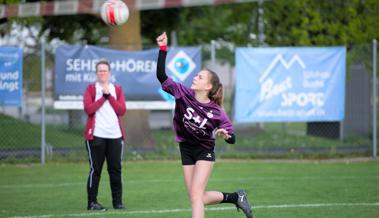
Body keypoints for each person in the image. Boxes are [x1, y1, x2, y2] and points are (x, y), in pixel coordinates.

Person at [156, 32, 253, 218]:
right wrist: (162, 49)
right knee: (195, 196)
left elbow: (233, 138)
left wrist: (227, 135)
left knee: (195, 197)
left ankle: (236, 197)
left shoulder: (217, 111)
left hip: (204, 151)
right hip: (185, 148)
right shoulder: (181, 93)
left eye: (200, 77)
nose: (195, 78)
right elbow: (161, 75)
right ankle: (235, 197)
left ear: (208, 87)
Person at [83, 59, 126, 211]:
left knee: (115, 170)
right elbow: (89, 109)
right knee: (96, 170)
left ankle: (118, 202)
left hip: (115, 135)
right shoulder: (91, 89)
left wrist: (110, 96)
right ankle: (92, 202)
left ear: (109, 73)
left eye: (105, 70)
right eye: (100, 71)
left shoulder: (117, 89)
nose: (102, 73)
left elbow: (121, 110)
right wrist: (103, 97)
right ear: (96, 73)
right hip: (96, 135)